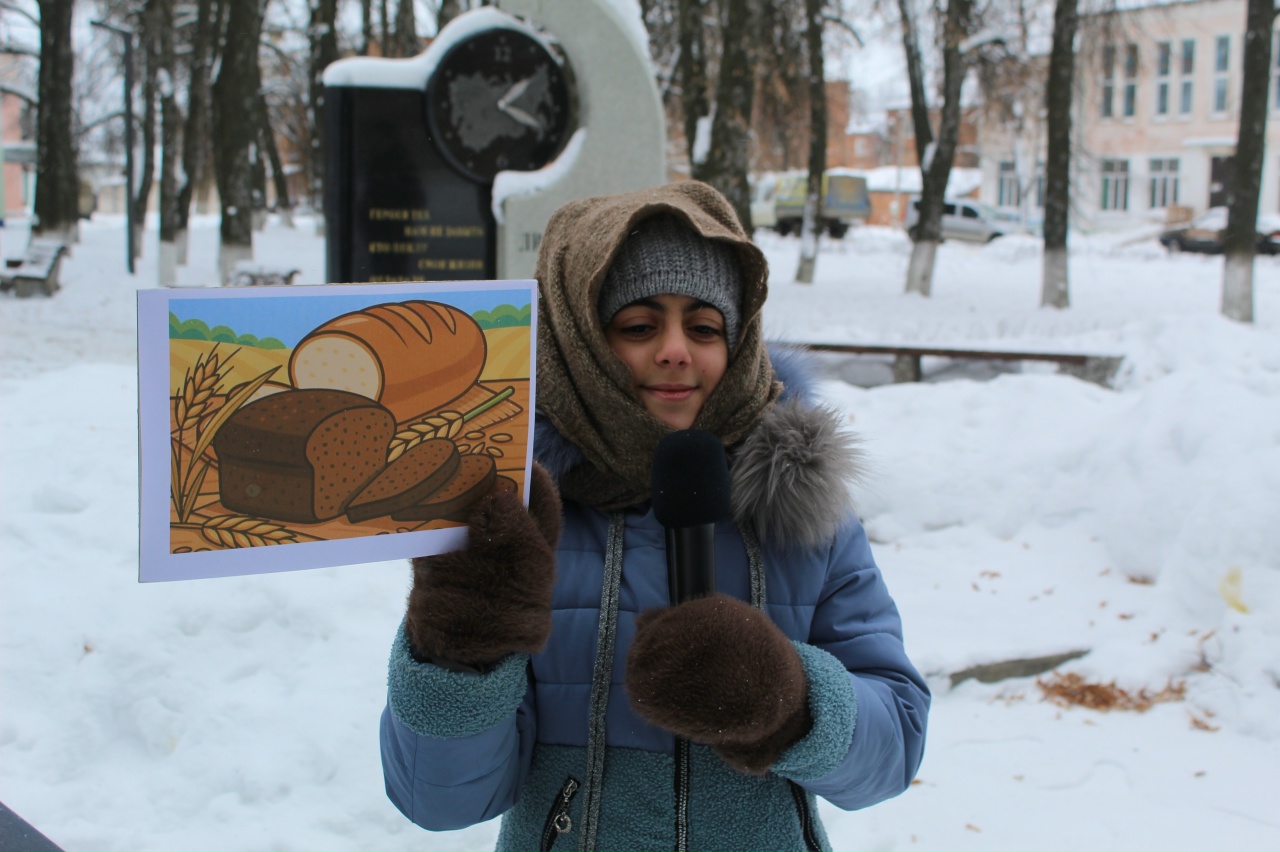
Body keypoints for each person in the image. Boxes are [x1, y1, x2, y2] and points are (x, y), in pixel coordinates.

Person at [379, 181, 929, 852]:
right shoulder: (513, 525)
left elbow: (895, 747)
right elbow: (441, 801)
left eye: (703, 326)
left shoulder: (806, 519)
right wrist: (458, 650)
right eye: (639, 326)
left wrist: (787, 704)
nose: (675, 349)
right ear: (578, 343)